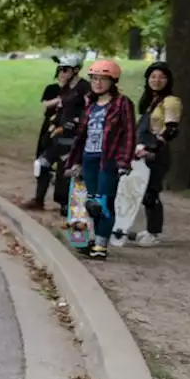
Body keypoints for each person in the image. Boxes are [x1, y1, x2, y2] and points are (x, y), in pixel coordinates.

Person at [65, 59, 137, 260]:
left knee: (103, 202)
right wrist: (75, 162)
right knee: (91, 202)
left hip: (108, 160)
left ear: (112, 81)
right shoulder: (91, 105)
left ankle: (101, 245)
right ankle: (95, 240)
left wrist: (124, 161)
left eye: (102, 79)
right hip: (88, 158)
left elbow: (130, 134)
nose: (97, 83)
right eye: (94, 79)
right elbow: (82, 137)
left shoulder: (122, 103)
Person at [27, 54, 90, 211]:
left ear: (76, 70)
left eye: (66, 69)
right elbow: (60, 109)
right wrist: (54, 124)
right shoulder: (65, 88)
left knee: (66, 171)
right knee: (41, 164)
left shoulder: (84, 88)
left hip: (73, 137)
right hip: (58, 135)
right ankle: (38, 200)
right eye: (60, 69)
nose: (62, 73)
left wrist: (71, 126)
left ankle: (66, 205)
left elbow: (88, 111)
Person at [133, 62, 183, 246]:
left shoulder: (170, 101)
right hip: (141, 152)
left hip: (156, 153)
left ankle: (154, 233)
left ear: (168, 80)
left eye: (161, 76)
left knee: (151, 192)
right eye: (153, 76)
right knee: (140, 191)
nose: (157, 80)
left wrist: (152, 148)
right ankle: (144, 229)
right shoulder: (150, 102)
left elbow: (171, 130)